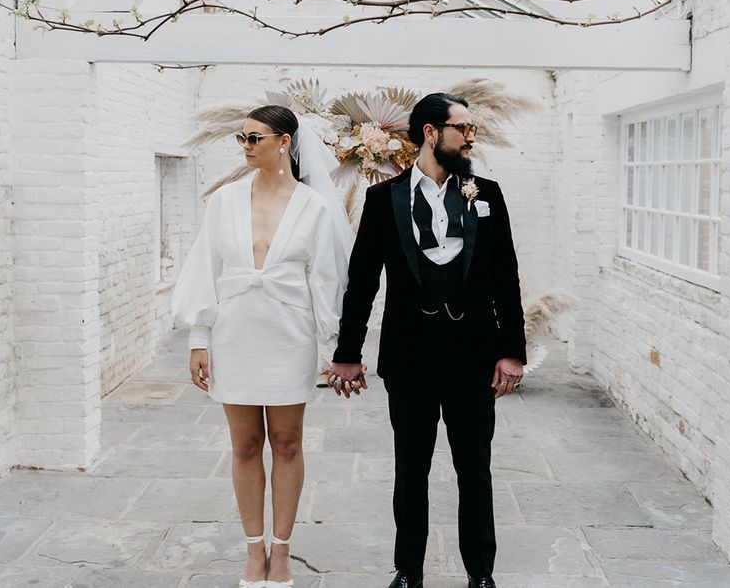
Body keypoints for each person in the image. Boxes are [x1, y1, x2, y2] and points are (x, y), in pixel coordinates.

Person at [328, 93, 526, 588]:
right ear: (432, 133)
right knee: (410, 470)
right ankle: (408, 572)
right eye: (463, 127)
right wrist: (347, 354)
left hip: (474, 357)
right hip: (409, 358)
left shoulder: (488, 194)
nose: (472, 135)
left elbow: (506, 277)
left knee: (474, 471)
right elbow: (363, 281)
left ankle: (481, 574)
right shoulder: (383, 199)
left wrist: (512, 351)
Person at [172, 105, 353, 588]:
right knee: (245, 445)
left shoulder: (313, 206)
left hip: (288, 336)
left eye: (254, 137)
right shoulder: (223, 201)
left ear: (285, 142)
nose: (246, 146)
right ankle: (254, 551)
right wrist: (198, 337)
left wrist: (332, 351)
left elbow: (326, 281)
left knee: (288, 443)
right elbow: (204, 270)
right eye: (241, 139)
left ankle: (284, 550)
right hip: (234, 334)